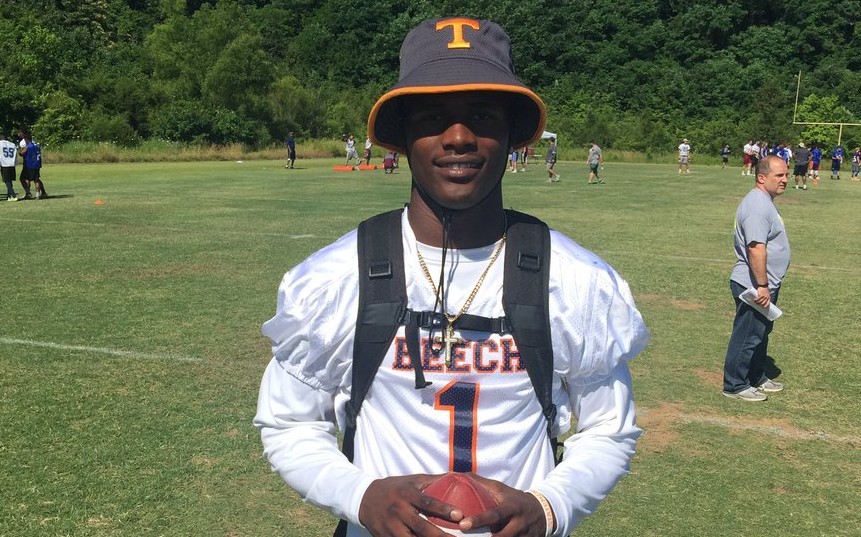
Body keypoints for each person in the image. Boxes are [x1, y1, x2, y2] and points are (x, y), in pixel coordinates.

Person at [254, 17, 649, 537]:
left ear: (512, 136)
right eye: (433, 116)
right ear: (401, 135)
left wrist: (549, 506)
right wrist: (361, 495)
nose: (458, 137)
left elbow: (607, 428)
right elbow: (289, 422)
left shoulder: (575, 280)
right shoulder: (336, 276)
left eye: (482, 116)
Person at [722, 155, 790, 402]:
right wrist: (762, 285)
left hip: (764, 282)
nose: (785, 180)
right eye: (779, 175)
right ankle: (735, 384)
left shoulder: (764, 201)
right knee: (748, 334)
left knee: (760, 333)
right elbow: (755, 248)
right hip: (754, 283)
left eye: (786, 174)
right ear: (762, 178)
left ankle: (755, 376)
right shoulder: (757, 207)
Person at [18, 129, 46, 199]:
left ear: (26, 139)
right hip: (37, 165)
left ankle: (28, 193)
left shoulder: (27, 147)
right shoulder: (37, 146)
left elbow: (22, 153)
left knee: (23, 178)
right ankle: (37, 194)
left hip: (29, 165)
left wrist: (19, 151)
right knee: (36, 180)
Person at [1, 132, 19, 201]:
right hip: (11, 164)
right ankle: (9, 196)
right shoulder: (12, 144)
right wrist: (15, 163)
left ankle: (13, 195)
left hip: (4, 164)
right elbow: (15, 155)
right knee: (10, 180)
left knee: (7, 181)